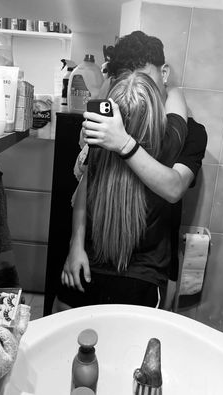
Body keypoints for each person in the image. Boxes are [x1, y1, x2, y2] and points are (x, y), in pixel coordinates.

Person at [54, 67, 188, 311]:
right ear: (157, 115)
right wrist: (76, 246)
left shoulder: (101, 143)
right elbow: (177, 95)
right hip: (131, 277)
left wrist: (122, 141)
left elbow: (173, 188)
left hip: (93, 271)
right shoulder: (168, 144)